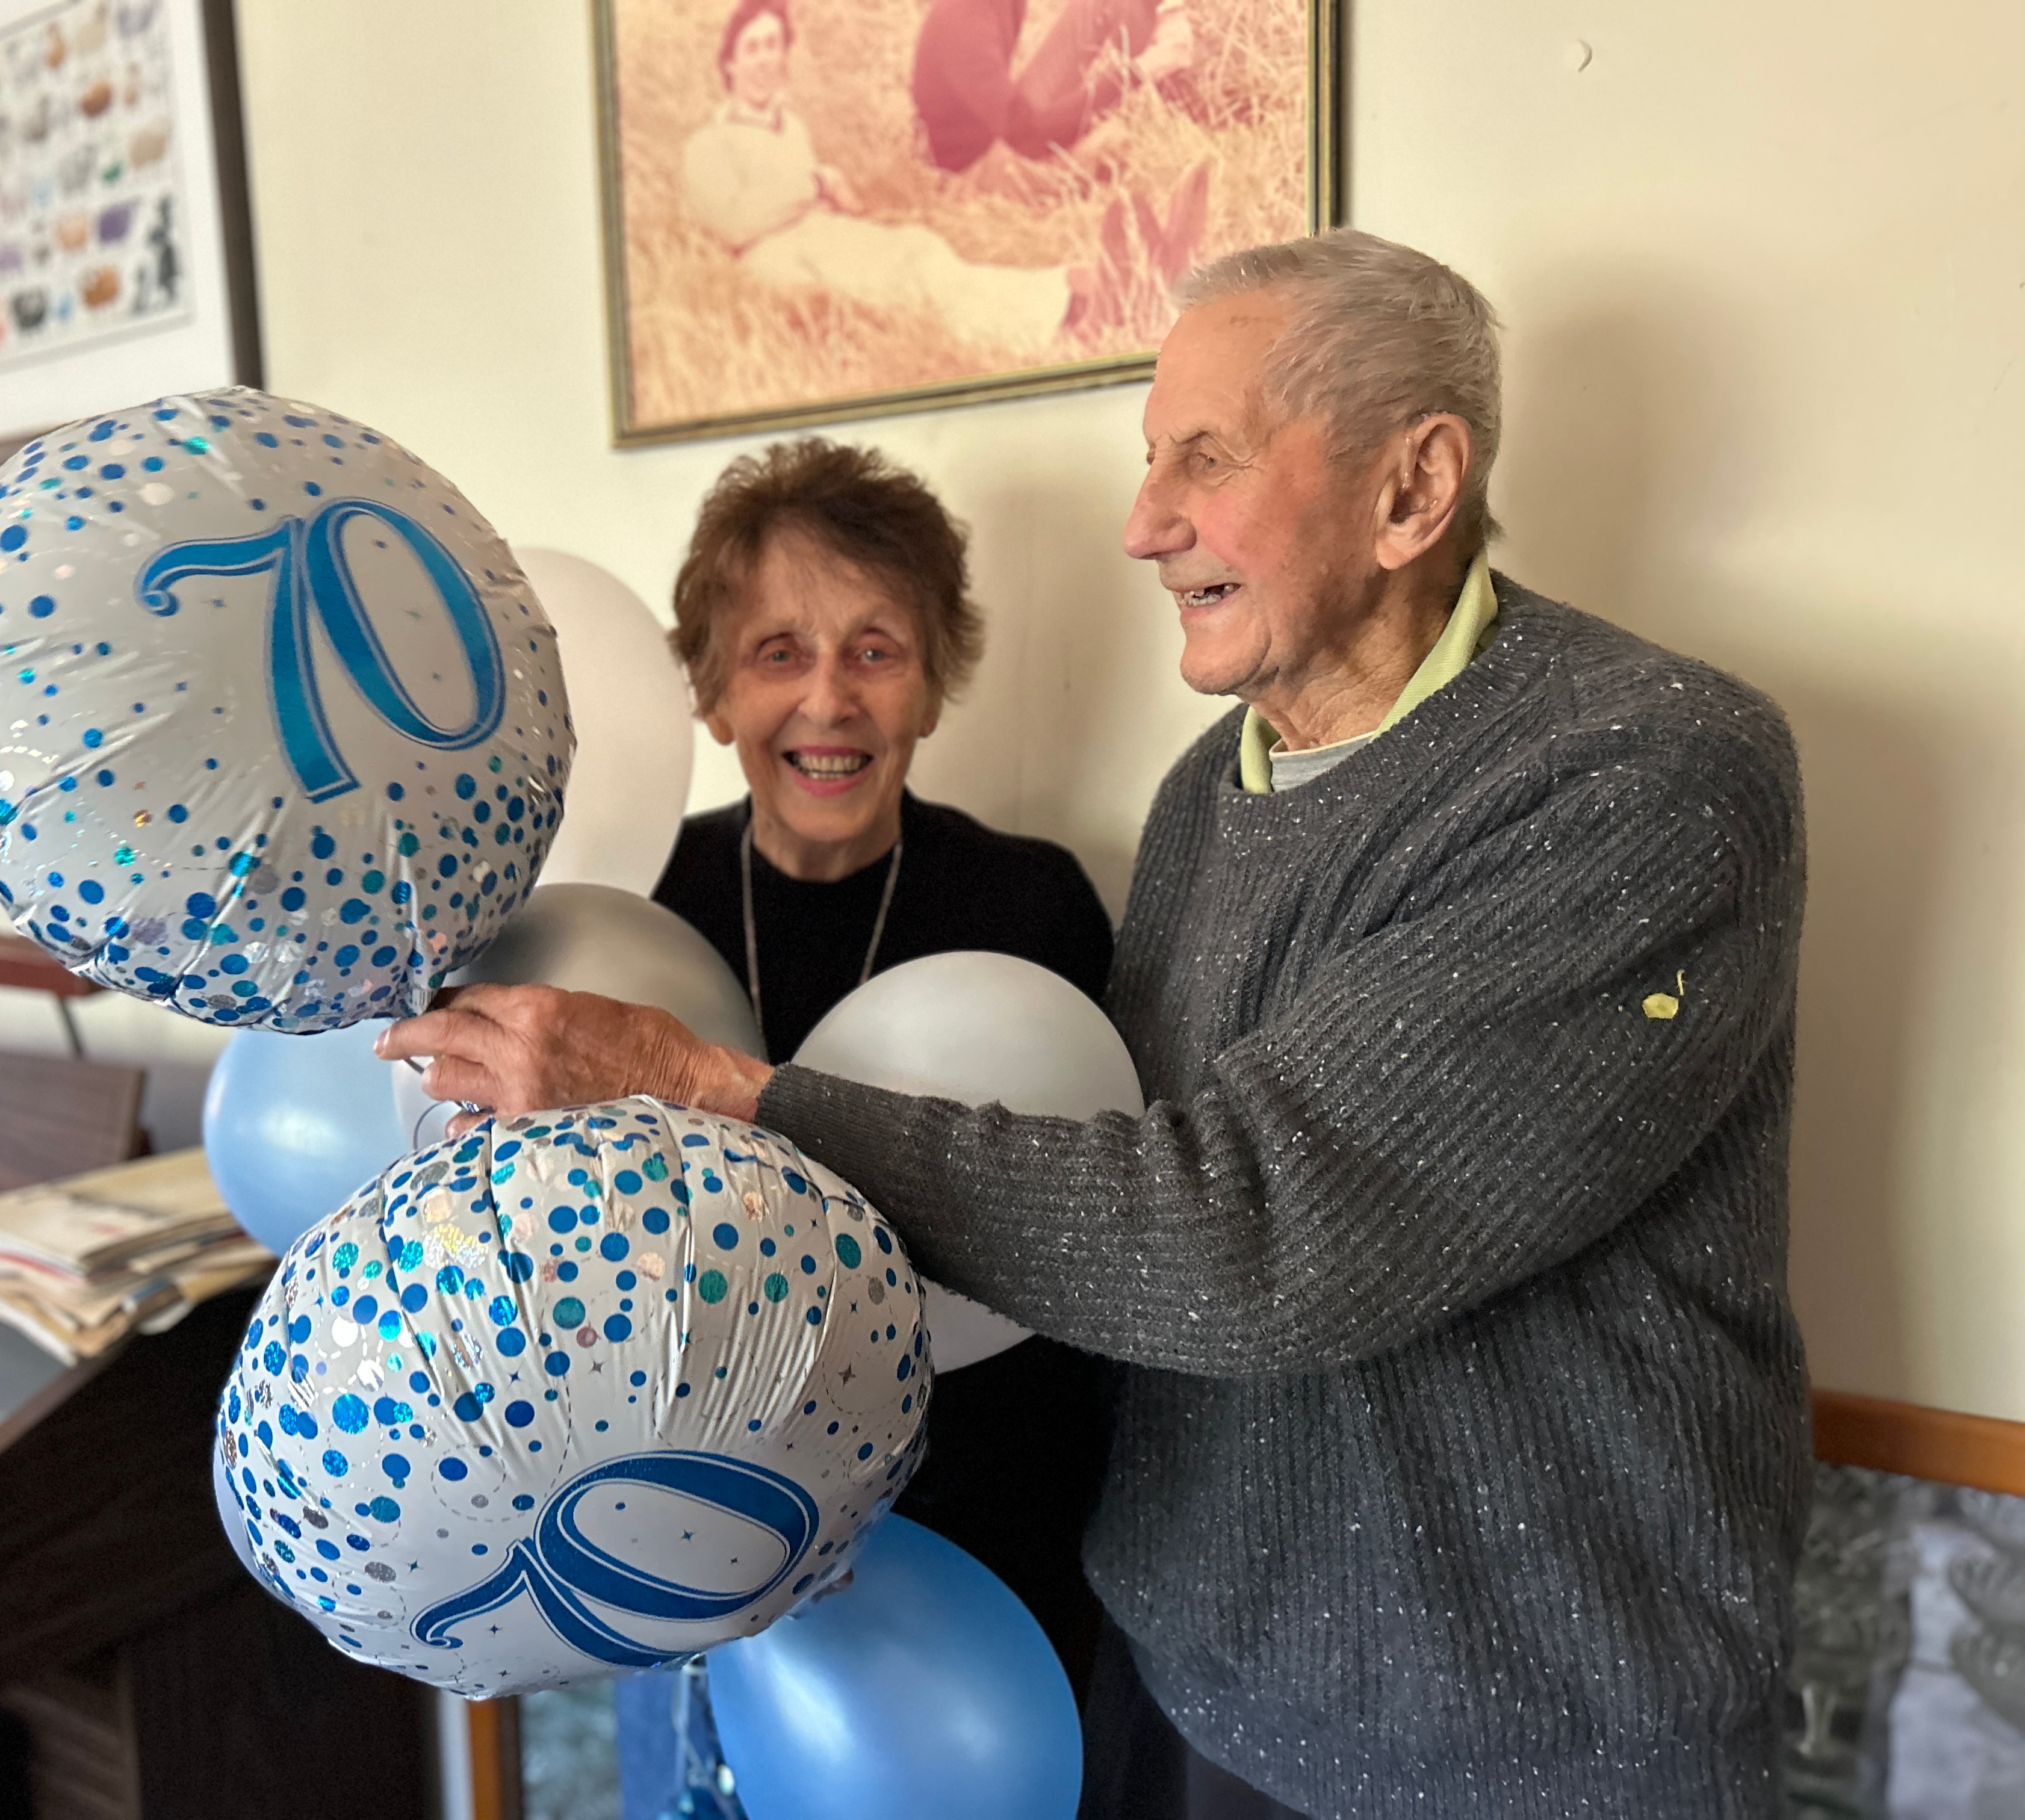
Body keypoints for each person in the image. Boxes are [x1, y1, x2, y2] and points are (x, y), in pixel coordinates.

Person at [382, 230, 1811, 1817]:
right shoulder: (1212, 792)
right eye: (1150, 463)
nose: (1146, 526)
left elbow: (1260, 1239)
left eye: (1204, 458)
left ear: (1413, 491)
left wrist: (720, 1094)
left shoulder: (1642, 777)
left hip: (1511, 1748)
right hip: (1188, 1675)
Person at [618, 435, 1117, 1816]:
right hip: (691, 1516)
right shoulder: (635, 912)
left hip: (974, 1528)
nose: (827, 702)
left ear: (936, 680)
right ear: (715, 693)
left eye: (876, 649)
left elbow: (1086, 1238)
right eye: (777, 651)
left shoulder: (1033, 910)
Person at [683, 0, 1146, 350]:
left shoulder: (792, 130)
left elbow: (807, 200)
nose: (765, 60)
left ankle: (1058, 288)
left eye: (773, 47)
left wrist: (833, 198)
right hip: (783, 259)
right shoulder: (707, 143)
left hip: (824, 234)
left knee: (922, 250)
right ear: (731, 63)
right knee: (914, 275)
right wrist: (817, 184)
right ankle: (1054, 317)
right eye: (752, 49)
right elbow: (735, 223)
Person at [912, 0, 1197, 173]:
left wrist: (1169, 12)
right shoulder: (964, 20)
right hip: (975, 169)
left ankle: (1178, 96)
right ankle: (1164, 77)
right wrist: (1137, 74)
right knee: (1120, 145)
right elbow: (1027, 136)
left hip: (1007, 127)